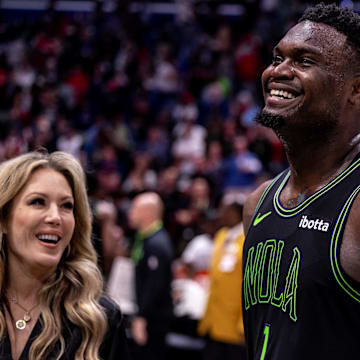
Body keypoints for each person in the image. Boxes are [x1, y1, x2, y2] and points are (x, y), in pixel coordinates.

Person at [242, 3, 360, 360]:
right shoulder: (258, 202)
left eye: (304, 61)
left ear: (356, 90)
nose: (279, 71)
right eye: (278, 58)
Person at [0, 150, 129, 360]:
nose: (55, 217)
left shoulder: (100, 319)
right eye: (38, 202)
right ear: (4, 219)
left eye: (66, 206)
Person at [128, 192, 174, 360]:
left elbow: (155, 285)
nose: (130, 212)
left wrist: (141, 317)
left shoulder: (157, 244)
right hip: (148, 315)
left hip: (153, 320)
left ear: (148, 212)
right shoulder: (144, 239)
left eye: (135, 208)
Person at [198, 201, 246, 360]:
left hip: (233, 327)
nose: (220, 215)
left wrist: (243, 325)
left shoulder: (248, 238)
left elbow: (249, 285)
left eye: (224, 210)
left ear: (236, 214)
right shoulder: (221, 236)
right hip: (212, 321)